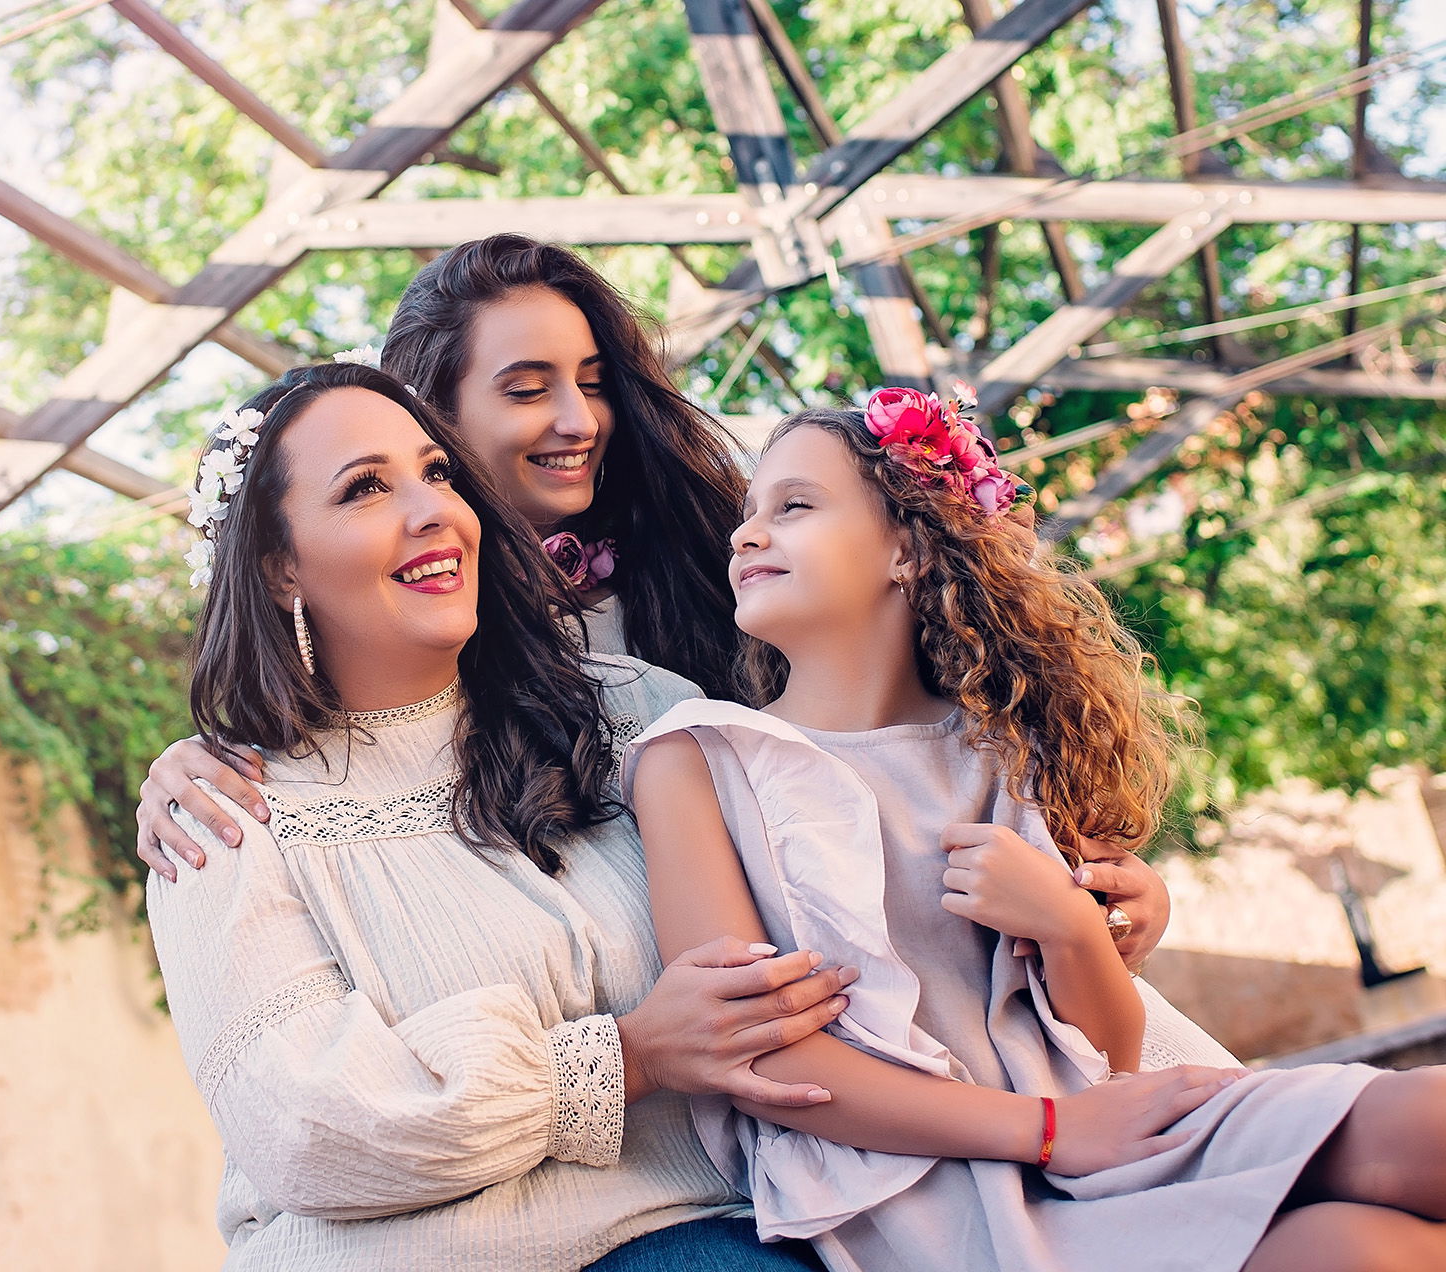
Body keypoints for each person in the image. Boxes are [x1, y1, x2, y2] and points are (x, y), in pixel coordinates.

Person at [146, 363, 1220, 1272]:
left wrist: (1098, 917)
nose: (432, 509)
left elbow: (889, 896)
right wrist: (630, 1054)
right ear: (279, 565)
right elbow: (305, 1129)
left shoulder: (638, 713)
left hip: (669, 1222)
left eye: (433, 470)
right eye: (364, 488)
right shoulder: (224, 809)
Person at [138, 236, 1183, 1047]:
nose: (575, 417)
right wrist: (191, 762)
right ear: (429, 416)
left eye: (591, 379)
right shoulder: (404, 634)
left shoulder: (713, 562)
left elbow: (928, 733)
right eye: (523, 387)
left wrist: (1100, 888)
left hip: (935, 994)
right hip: (792, 1057)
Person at [624, 392, 1446, 1272]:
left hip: (1110, 1119)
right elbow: (765, 1063)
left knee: (1430, 1123)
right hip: (939, 1186)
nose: (747, 534)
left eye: (794, 506)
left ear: (909, 547)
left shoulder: (1009, 745)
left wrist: (1068, 926)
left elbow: (1108, 1047)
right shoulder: (696, 759)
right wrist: (1050, 1129)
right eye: (749, 512)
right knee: (1374, 1269)